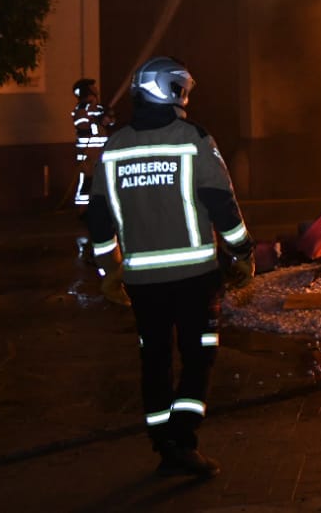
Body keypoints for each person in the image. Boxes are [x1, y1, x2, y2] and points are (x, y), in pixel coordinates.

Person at [86, 56, 254, 479]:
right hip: (196, 278)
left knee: (154, 360)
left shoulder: (115, 146)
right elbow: (222, 204)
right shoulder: (193, 138)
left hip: (143, 283)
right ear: (173, 90)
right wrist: (244, 253)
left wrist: (110, 274)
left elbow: (100, 220)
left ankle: (163, 444)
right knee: (199, 357)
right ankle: (183, 438)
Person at [71, 78, 113, 213]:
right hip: (88, 152)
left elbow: (110, 122)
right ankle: (82, 210)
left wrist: (108, 116)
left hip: (100, 152)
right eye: (92, 87)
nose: (96, 89)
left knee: (100, 180)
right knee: (87, 181)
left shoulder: (98, 108)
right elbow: (83, 124)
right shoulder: (81, 109)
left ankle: (98, 208)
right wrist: (99, 116)